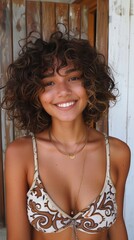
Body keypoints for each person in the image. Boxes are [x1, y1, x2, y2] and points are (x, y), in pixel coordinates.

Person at [1, 30, 130, 240]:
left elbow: (116, 225)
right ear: (33, 92)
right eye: (49, 82)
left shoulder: (117, 152)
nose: (63, 91)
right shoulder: (21, 154)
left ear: (90, 83)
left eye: (73, 77)